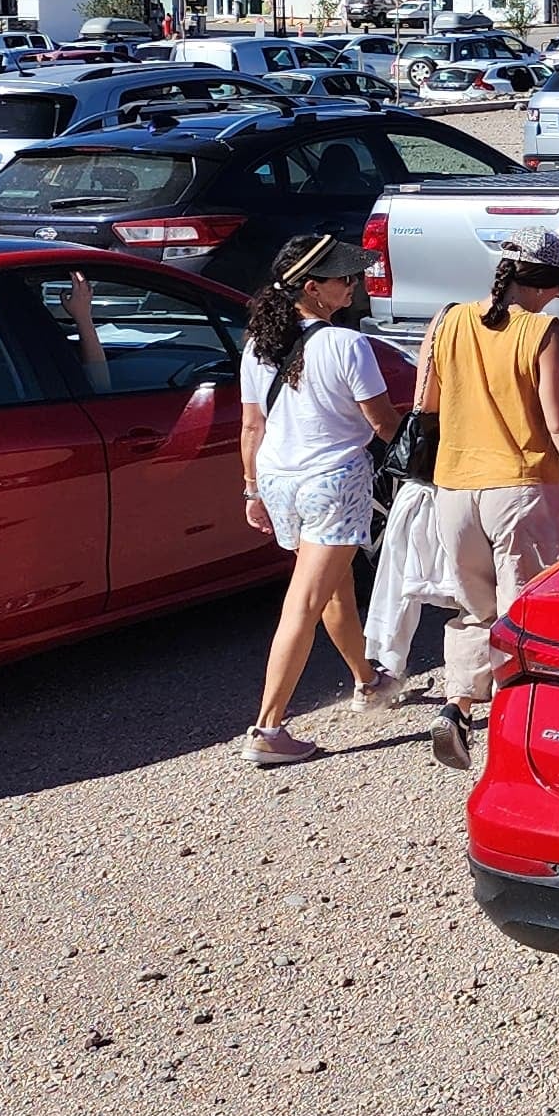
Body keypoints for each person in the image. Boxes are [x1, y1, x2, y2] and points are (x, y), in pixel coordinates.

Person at [415, 224, 559, 769]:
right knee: (524, 610)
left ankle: (455, 706)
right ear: (547, 281)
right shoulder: (542, 331)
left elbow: (426, 404)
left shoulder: (448, 319)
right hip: (520, 485)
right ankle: (516, 723)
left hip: (454, 486)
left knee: (474, 607)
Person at [232, 235, 410, 767]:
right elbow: (383, 423)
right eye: (344, 278)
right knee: (305, 602)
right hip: (332, 481)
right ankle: (268, 727)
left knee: (332, 590)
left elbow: (251, 425)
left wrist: (251, 490)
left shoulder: (258, 344)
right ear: (313, 289)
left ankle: (367, 680)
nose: (353, 285)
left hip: (279, 479)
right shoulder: (347, 345)